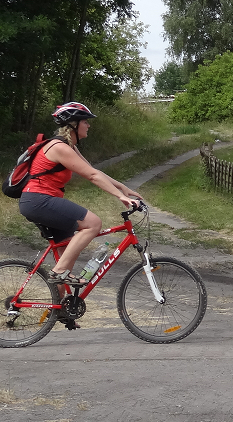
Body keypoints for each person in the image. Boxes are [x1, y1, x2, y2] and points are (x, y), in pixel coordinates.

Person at [19, 102, 142, 290]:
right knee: (93, 223)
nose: (89, 125)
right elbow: (91, 176)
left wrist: (123, 188)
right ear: (73, 124)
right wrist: (120, 197)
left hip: (41, 200)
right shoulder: (59, 147)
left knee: (66, 254)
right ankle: (59, 271)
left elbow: (93, 170)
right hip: (38, 200)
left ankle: (62, 309)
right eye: (85, 121)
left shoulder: (69, 147)